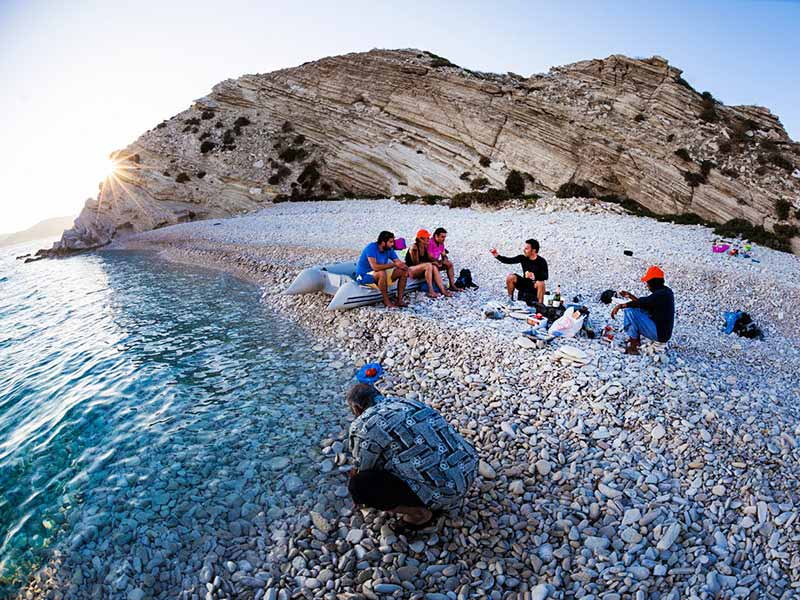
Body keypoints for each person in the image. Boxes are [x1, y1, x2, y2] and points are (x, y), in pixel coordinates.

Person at [346, 383, 478, 533]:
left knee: (359, 485)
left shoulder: (364, 424)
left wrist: (359, 498)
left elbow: (362, 468)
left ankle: (420, 515)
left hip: (444, 492)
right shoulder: (407, 402)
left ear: (356, 408)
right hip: (469, 471)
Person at [611, 265, 675, 355]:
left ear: (653, 283)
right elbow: (643, 304)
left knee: (630, 311)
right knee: (636, 310)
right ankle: (635, 340)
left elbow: (642, 303)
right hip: (663, 332)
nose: (647, 285)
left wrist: (621, 306)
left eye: (648, 282)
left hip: (660, 334)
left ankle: (633, 346)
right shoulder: (665, 292)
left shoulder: (660, 295)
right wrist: (630, 296)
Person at [356, 231, 409, 308]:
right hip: (364, 275)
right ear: (383, 242)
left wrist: (406, 268)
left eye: (393, 242)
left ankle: (399, 300)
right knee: (381, 273)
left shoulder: (389, 249)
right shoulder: (371, 248)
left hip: (378, 273)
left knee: (403, 271)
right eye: (390, 242)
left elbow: (398, 262)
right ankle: (386, 301)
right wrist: (394, 264)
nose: (392, 244)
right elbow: (375, 267)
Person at [490, 238, 548, 303]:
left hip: (535, 285)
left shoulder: (541, 261)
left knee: (541, 283)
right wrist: (496, 255)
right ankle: (510, 300)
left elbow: (545, 276)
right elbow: (508, 260)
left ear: (533, 250)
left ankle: (540, 306)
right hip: (524, 283)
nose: (524, 250)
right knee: (511, 277)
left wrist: (534, 276)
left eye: (526, 249)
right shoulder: (523, 258)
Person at [406, 229, 453, 298]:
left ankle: (443, 290)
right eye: (427, 238)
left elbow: (429, 258)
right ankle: (431, 290)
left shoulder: (425, 246)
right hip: (411, 269)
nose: (429, 239)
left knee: (433, 266)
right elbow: (415, 263)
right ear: (421, 239)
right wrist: (432, 262)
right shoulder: (414, 248)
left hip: (420, 268)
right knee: (429, 265)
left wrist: (437, 262)